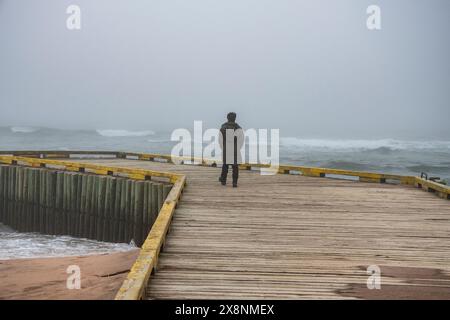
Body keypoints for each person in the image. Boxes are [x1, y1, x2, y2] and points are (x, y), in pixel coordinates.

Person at [218, 112, 244, 187]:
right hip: (235, 149)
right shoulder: (238, 128)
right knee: (235, 166)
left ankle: (223, 180)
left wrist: (222, 147)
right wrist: (238, 147)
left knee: (225, 165)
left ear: (227, 118)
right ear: (235, 118)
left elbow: (220, 139)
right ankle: (234, 182)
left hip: (226, 148)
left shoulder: (223, 127)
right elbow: (241, 140)